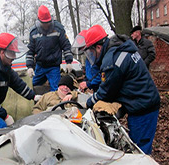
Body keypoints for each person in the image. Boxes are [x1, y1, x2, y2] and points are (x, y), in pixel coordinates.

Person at [82, 25, 160, 154]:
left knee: (140, 150)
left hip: (143, 107)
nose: (92, 57)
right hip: (143, 101)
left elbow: (106, 91)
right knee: (138, 143)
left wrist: (89, 103)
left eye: (91, 52)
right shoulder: (119, 49)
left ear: (99, 47)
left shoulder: (111, 61)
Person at [26, 5, 73, 91]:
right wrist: (29, 67)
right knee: (31, 86)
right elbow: (30, 51)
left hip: (53, 67)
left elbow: (66, 46)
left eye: (48, 22)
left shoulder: (58, 29)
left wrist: (69, 61)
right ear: (40, 21)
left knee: (56, 90)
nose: (47, 25)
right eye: (44, 23)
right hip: (40, 66)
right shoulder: (34, 32)